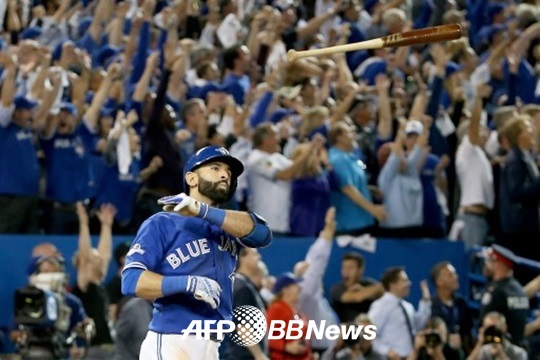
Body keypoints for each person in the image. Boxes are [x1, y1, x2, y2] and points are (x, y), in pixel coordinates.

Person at [121, 145, 273, 360]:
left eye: (228, 173)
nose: (224, 175)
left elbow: (262, 233)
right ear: (191, 179)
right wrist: (188, 283)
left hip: (211, 346)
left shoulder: (227, 225)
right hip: (172, 340)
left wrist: (201, 210)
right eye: (215, 167)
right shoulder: (163, 222)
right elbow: (131, 281)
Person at [479, 245, 529, 347]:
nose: (486, 265)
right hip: (517, 348)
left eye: (489, 261)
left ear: (498, 265)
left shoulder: (496, 291)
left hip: (498, 347)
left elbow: (486, 324)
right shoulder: (519, 290)